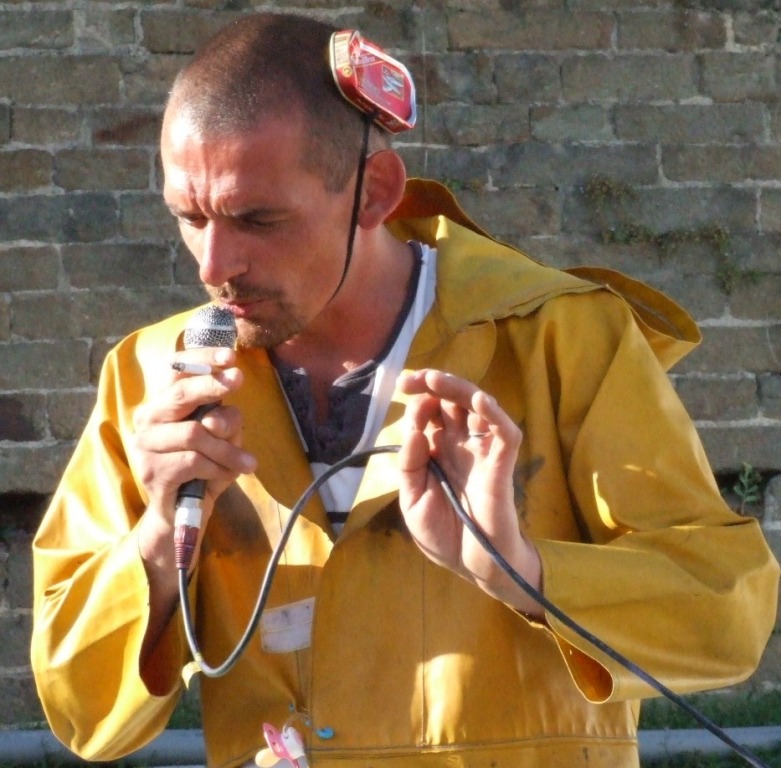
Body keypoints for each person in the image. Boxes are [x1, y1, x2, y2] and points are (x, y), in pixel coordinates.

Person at [31, 12, 779, 768]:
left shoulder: (558, 338)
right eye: (188, 217)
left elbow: (727, 615)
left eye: (258, 219)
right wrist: (161, 537)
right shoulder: (156, 376)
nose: (213, 264)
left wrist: (521, 571)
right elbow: (81, 712)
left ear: (374, 192)